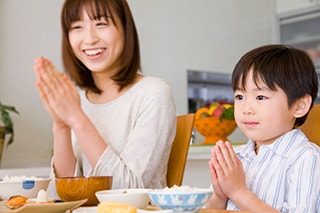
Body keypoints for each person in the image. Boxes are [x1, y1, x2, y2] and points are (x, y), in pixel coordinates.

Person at [33, 0, 176, 198]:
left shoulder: (153, 93)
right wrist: (61, 125)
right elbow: (60, 195)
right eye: (77, 27)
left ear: (125, 29)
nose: (89, 39)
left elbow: (129, 191)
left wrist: (77, 119)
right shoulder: (77, 101)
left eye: (101, 24)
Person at [206, 44, 320, 212]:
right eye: (239, 96)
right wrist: (220, 195)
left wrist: (238, 191)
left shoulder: (305, 157)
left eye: (260, 97)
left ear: (299, 106)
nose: (246, 108)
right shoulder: (237, 157)